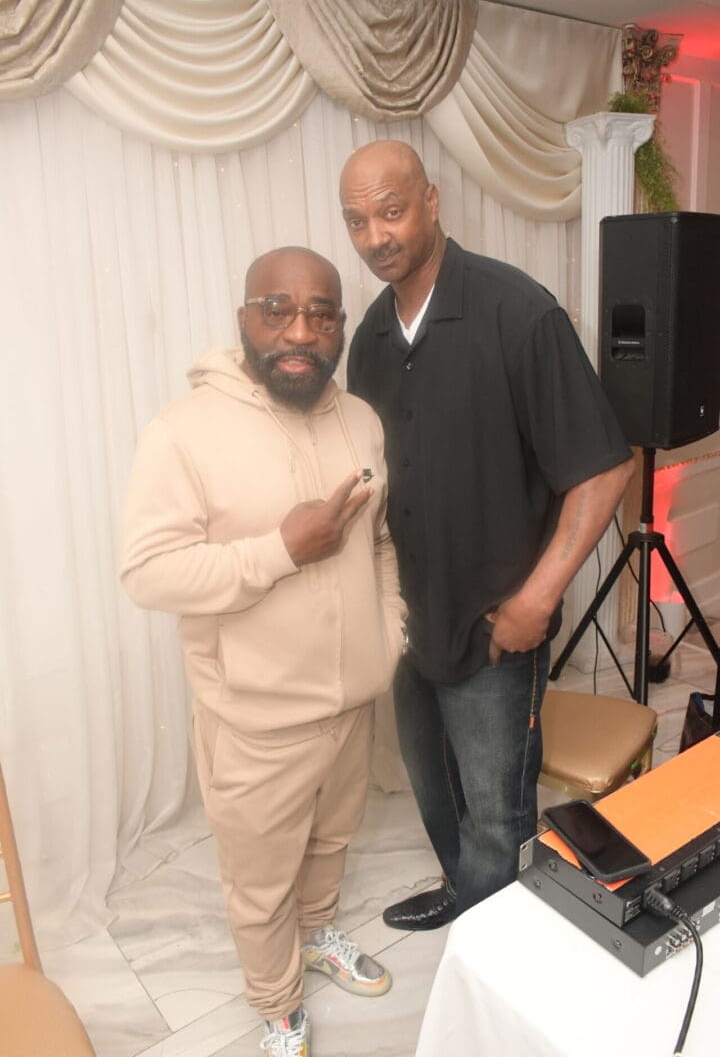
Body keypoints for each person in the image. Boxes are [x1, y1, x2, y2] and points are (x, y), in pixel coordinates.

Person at [340, 140, 635, 930]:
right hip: (408, 622)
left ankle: (491, 959)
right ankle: (465, 896)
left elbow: (604, 469)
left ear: (433, 201)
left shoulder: (519, 312)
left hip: (498, 629)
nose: (376, 236)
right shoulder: (368, 338)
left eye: (392, 211)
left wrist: (537, 600)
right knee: (435, 790)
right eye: (357, 221)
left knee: (498, 816)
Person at [120, 246, 407, 1057]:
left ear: (342, 329)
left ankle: (319, 935)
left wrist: (385, 641)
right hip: (255, 720)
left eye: (321, 315)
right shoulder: (184, 432)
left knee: (332, 842)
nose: (300, 332)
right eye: (277, 309)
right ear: (244, 318)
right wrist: (279, 550)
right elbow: (147, 571)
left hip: (353, 700)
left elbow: (379, 541)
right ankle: (278, 1005)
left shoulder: (361, 420)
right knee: (258, 883)